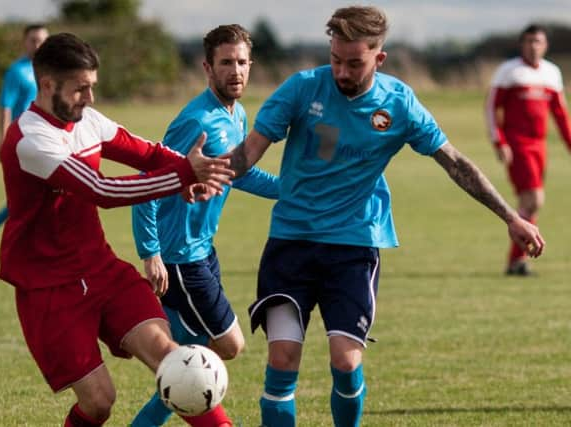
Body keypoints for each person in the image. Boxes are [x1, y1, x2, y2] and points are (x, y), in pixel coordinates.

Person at [225, 6, 545, 427]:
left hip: (353, 246)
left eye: (354, 63)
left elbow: (455, 163)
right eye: (335, 59)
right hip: (291, 242)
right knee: (282, 360)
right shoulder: (303, 89)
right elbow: (247, 154)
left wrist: (511, 217)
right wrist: (204, 174)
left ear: (380, 58)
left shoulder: (399, 104)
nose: (341, 71)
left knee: (345, 359)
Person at [0, 32, 236, 427]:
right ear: (47, 85)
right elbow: (102, 190)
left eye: (92, 87)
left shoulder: (87, 119)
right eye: (80, 89)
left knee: (174, 358)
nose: (90, 98)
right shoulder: (29, 139)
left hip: (101, 269)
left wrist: (189, 172)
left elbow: (147, 153)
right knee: (99, 401)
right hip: (48, 287)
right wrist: (182, 173)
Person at [130, 24, 279, 427]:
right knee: (229, 346)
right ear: (207, 68)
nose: (236, 71)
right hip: (180, 258)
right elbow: (149, 183)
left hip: (203, 250)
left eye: (242, 62)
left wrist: (290, 191)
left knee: (185, 359)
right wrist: (151, 253)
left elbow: (239, 172)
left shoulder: (237, 114)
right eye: (226, 62)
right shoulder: (194, 121)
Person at [485, 24, 571, 276]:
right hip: (518, 144)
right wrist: (499, 141)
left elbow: (560, 114)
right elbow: (491, 108)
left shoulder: (552, 73)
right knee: (534, 199)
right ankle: (517, 259)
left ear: (545, 45)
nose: (534, 46)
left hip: (539, 146)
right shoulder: (509, 71)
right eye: (529, 41)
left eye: (539, 42)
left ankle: (516, 262)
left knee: (528, 203)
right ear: (522, 45)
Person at [0, 24, 49, 254]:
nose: (38, 45)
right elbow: (5, 106)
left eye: (42, 40)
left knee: (36, 190)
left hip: (44, 137)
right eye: (33, 40)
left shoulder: (49, 70)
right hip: (22, 140)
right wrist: (3, 137)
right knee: (34, 190)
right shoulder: (17, 71)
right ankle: (22, 239)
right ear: (24, 42)